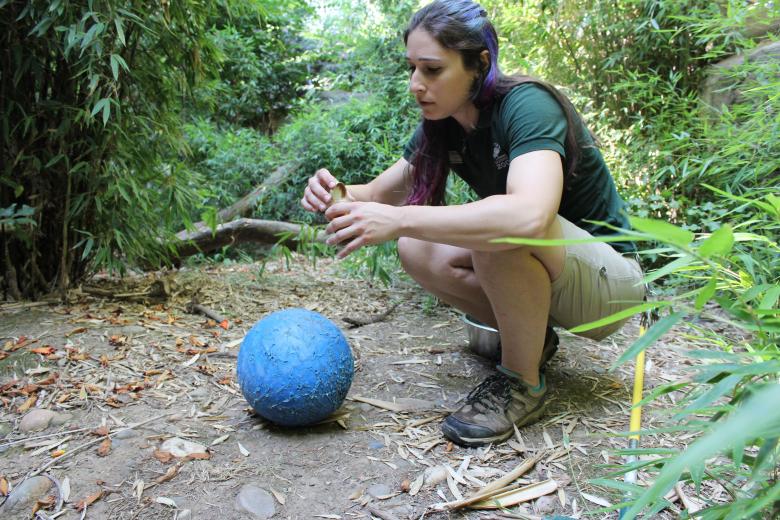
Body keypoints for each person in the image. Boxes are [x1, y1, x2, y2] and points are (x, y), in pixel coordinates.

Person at [301, 0, 645, 447]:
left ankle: (523, 384)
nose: (415, 84)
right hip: (560, 272)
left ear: (479, 63)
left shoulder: (527, 105)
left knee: (498, 228)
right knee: (415, 247)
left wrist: (401, 218)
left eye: (432, 70)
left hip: (612, 288)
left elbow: (529, 214)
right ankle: (532, 343)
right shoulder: (444, 125)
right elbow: (376, 194)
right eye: (412, 69)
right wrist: (335, 193)